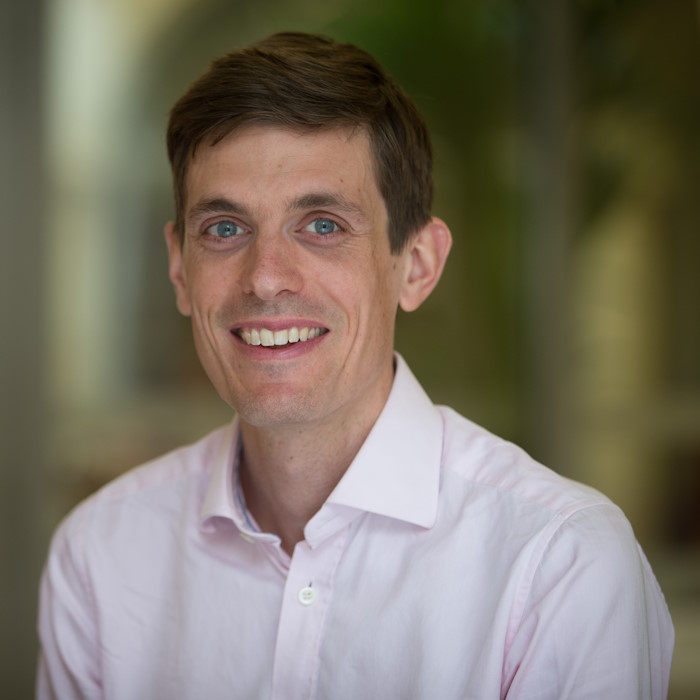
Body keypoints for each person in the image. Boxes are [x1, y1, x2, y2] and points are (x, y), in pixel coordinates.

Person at [37, 31, 674, 699]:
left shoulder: (558, 566)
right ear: (179, 268)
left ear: (417, 265)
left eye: (322, 225)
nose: (266, 278)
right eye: (225, 229)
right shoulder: (100, 556)